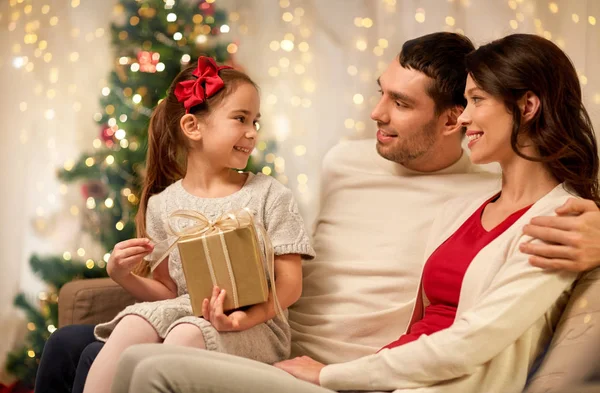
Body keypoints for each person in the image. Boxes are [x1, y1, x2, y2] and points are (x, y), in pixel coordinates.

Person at [33, 32, 600, 393]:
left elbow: (545, 206)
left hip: (343, 366)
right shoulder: (346, 161)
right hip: (273, 341)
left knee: (131, 365)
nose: (376, 113)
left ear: (454, 119)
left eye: (400, 104)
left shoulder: (491, 181)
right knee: (67, 345)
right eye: (382, 92)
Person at [79, 56, 315, 393]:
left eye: (255, 122)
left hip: (255, 325)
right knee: (133, 322)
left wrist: (242, 318)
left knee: (186, 332)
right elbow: (168, 293)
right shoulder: (163, 205)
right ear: (193, 127)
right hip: (188, 310)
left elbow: (290, 286)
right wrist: (123, 276)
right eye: (240, 118)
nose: (251, 133)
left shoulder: (269, 196)